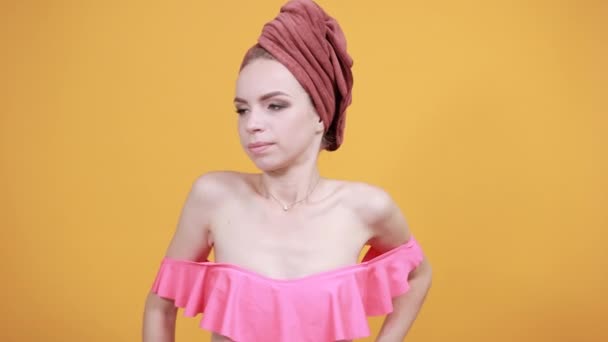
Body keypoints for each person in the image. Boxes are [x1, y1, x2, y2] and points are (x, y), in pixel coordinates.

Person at [142, 0, 432, 341]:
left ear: (320, 115)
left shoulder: (366, 207)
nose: (252, 124)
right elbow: (160, 305)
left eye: (275, 106)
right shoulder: (214, 197)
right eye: (242, 109)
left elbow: (417, 274)